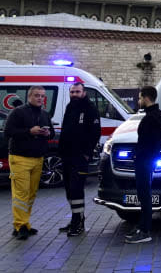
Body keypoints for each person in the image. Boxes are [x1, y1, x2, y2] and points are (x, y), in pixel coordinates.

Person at [4, 86, 54, 240]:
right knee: (21, 193)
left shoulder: (45, 114)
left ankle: (25, 223)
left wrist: (47, 133)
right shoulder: (18, 112)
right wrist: (29, 132)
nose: (40, 98)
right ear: (29, 96)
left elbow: (51, 132)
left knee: (31, 193)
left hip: (38, 159)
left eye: (42, 96)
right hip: (20, 158)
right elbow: (8, 132)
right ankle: (20, 226)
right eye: (37, 95)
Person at [57, 81, 100, 237]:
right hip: (67, 156)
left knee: (76, 189)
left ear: (84, 92)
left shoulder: (90, 109)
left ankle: (78, 223)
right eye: (72, 92)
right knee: (69, 189)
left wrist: (86, 153)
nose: (74, 94)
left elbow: (95, 133)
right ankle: (77, 217)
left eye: (77, 92)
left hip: (80, 157)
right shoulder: (70, 107)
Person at [124, 86, 161, 244]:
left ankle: (145, 231)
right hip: (148, 160)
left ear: (146, 98)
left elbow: (147, 142)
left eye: (140, 98)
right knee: (144, 195)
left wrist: (137, 155)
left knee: (144, 196)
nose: (138, 101)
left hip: (145, 161)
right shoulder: (157, 115)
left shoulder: (151, 117)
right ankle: (142, 226)